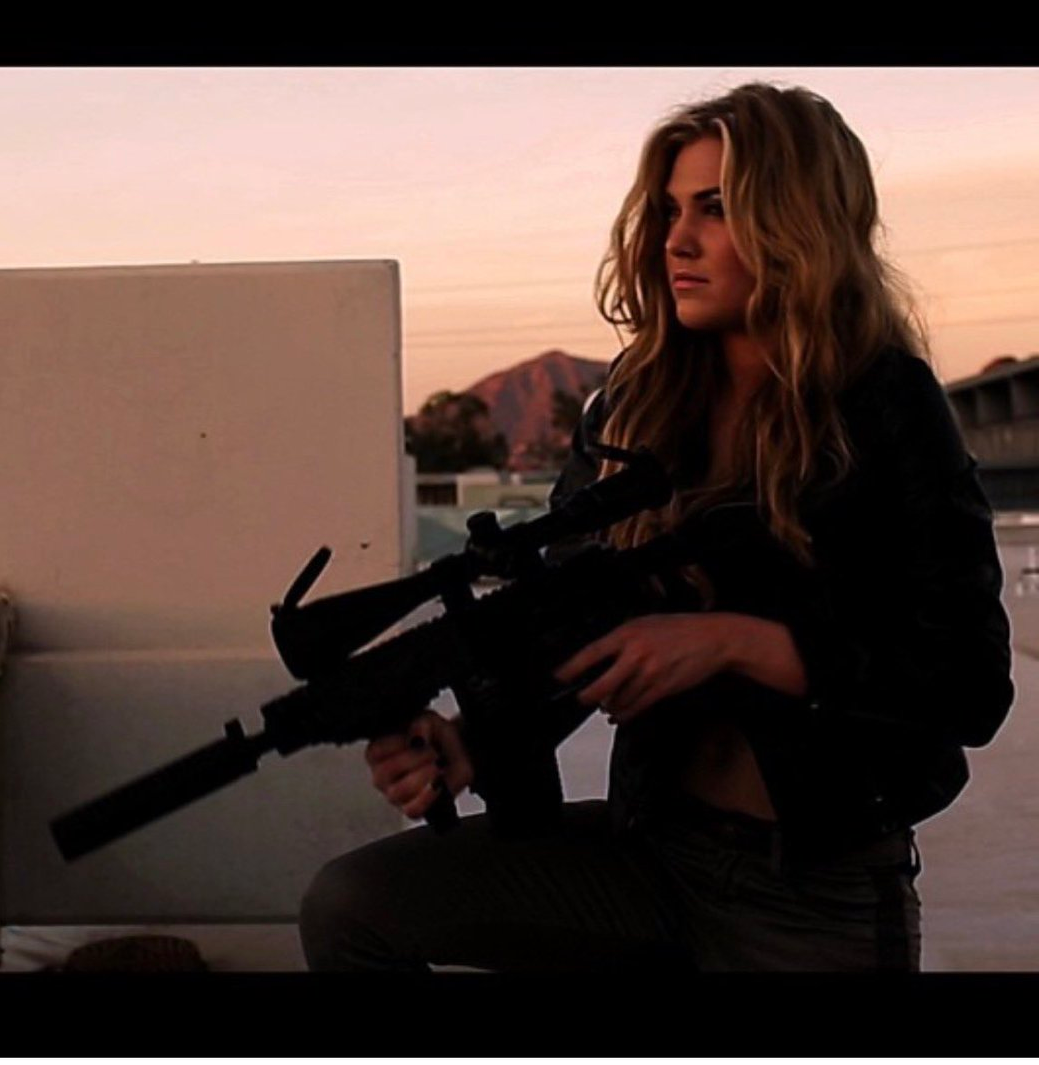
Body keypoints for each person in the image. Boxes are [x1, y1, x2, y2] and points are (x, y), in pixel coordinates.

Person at [297, 82, 1015, 972]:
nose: (677, 239)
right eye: (670, 210)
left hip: (809, 895)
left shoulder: (884, 404)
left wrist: (736, 641)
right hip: (647, 852)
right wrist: (470, 742)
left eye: (716, 208)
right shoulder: (635, 408)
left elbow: (969, 683)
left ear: (798, 223)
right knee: (352, 906)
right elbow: (561, 626)